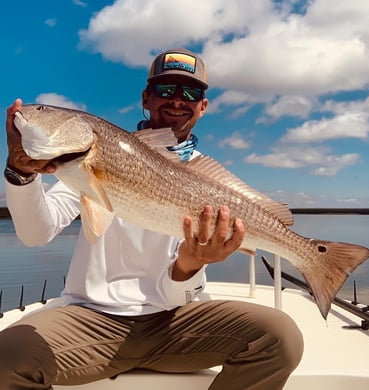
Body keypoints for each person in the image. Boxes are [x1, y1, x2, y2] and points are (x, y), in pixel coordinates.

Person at [0, 48, 303, 389]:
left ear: (203, 106)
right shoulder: (90, 160)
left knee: (280, 338)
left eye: (190, 93)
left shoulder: (208, 181)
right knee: (4, 359)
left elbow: (176, 297)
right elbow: (35, 233)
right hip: (91, 319)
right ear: (146, 97)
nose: (177, 101)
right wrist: (20, 174)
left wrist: (189, 266)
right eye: (165, 90)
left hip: (178, 321)